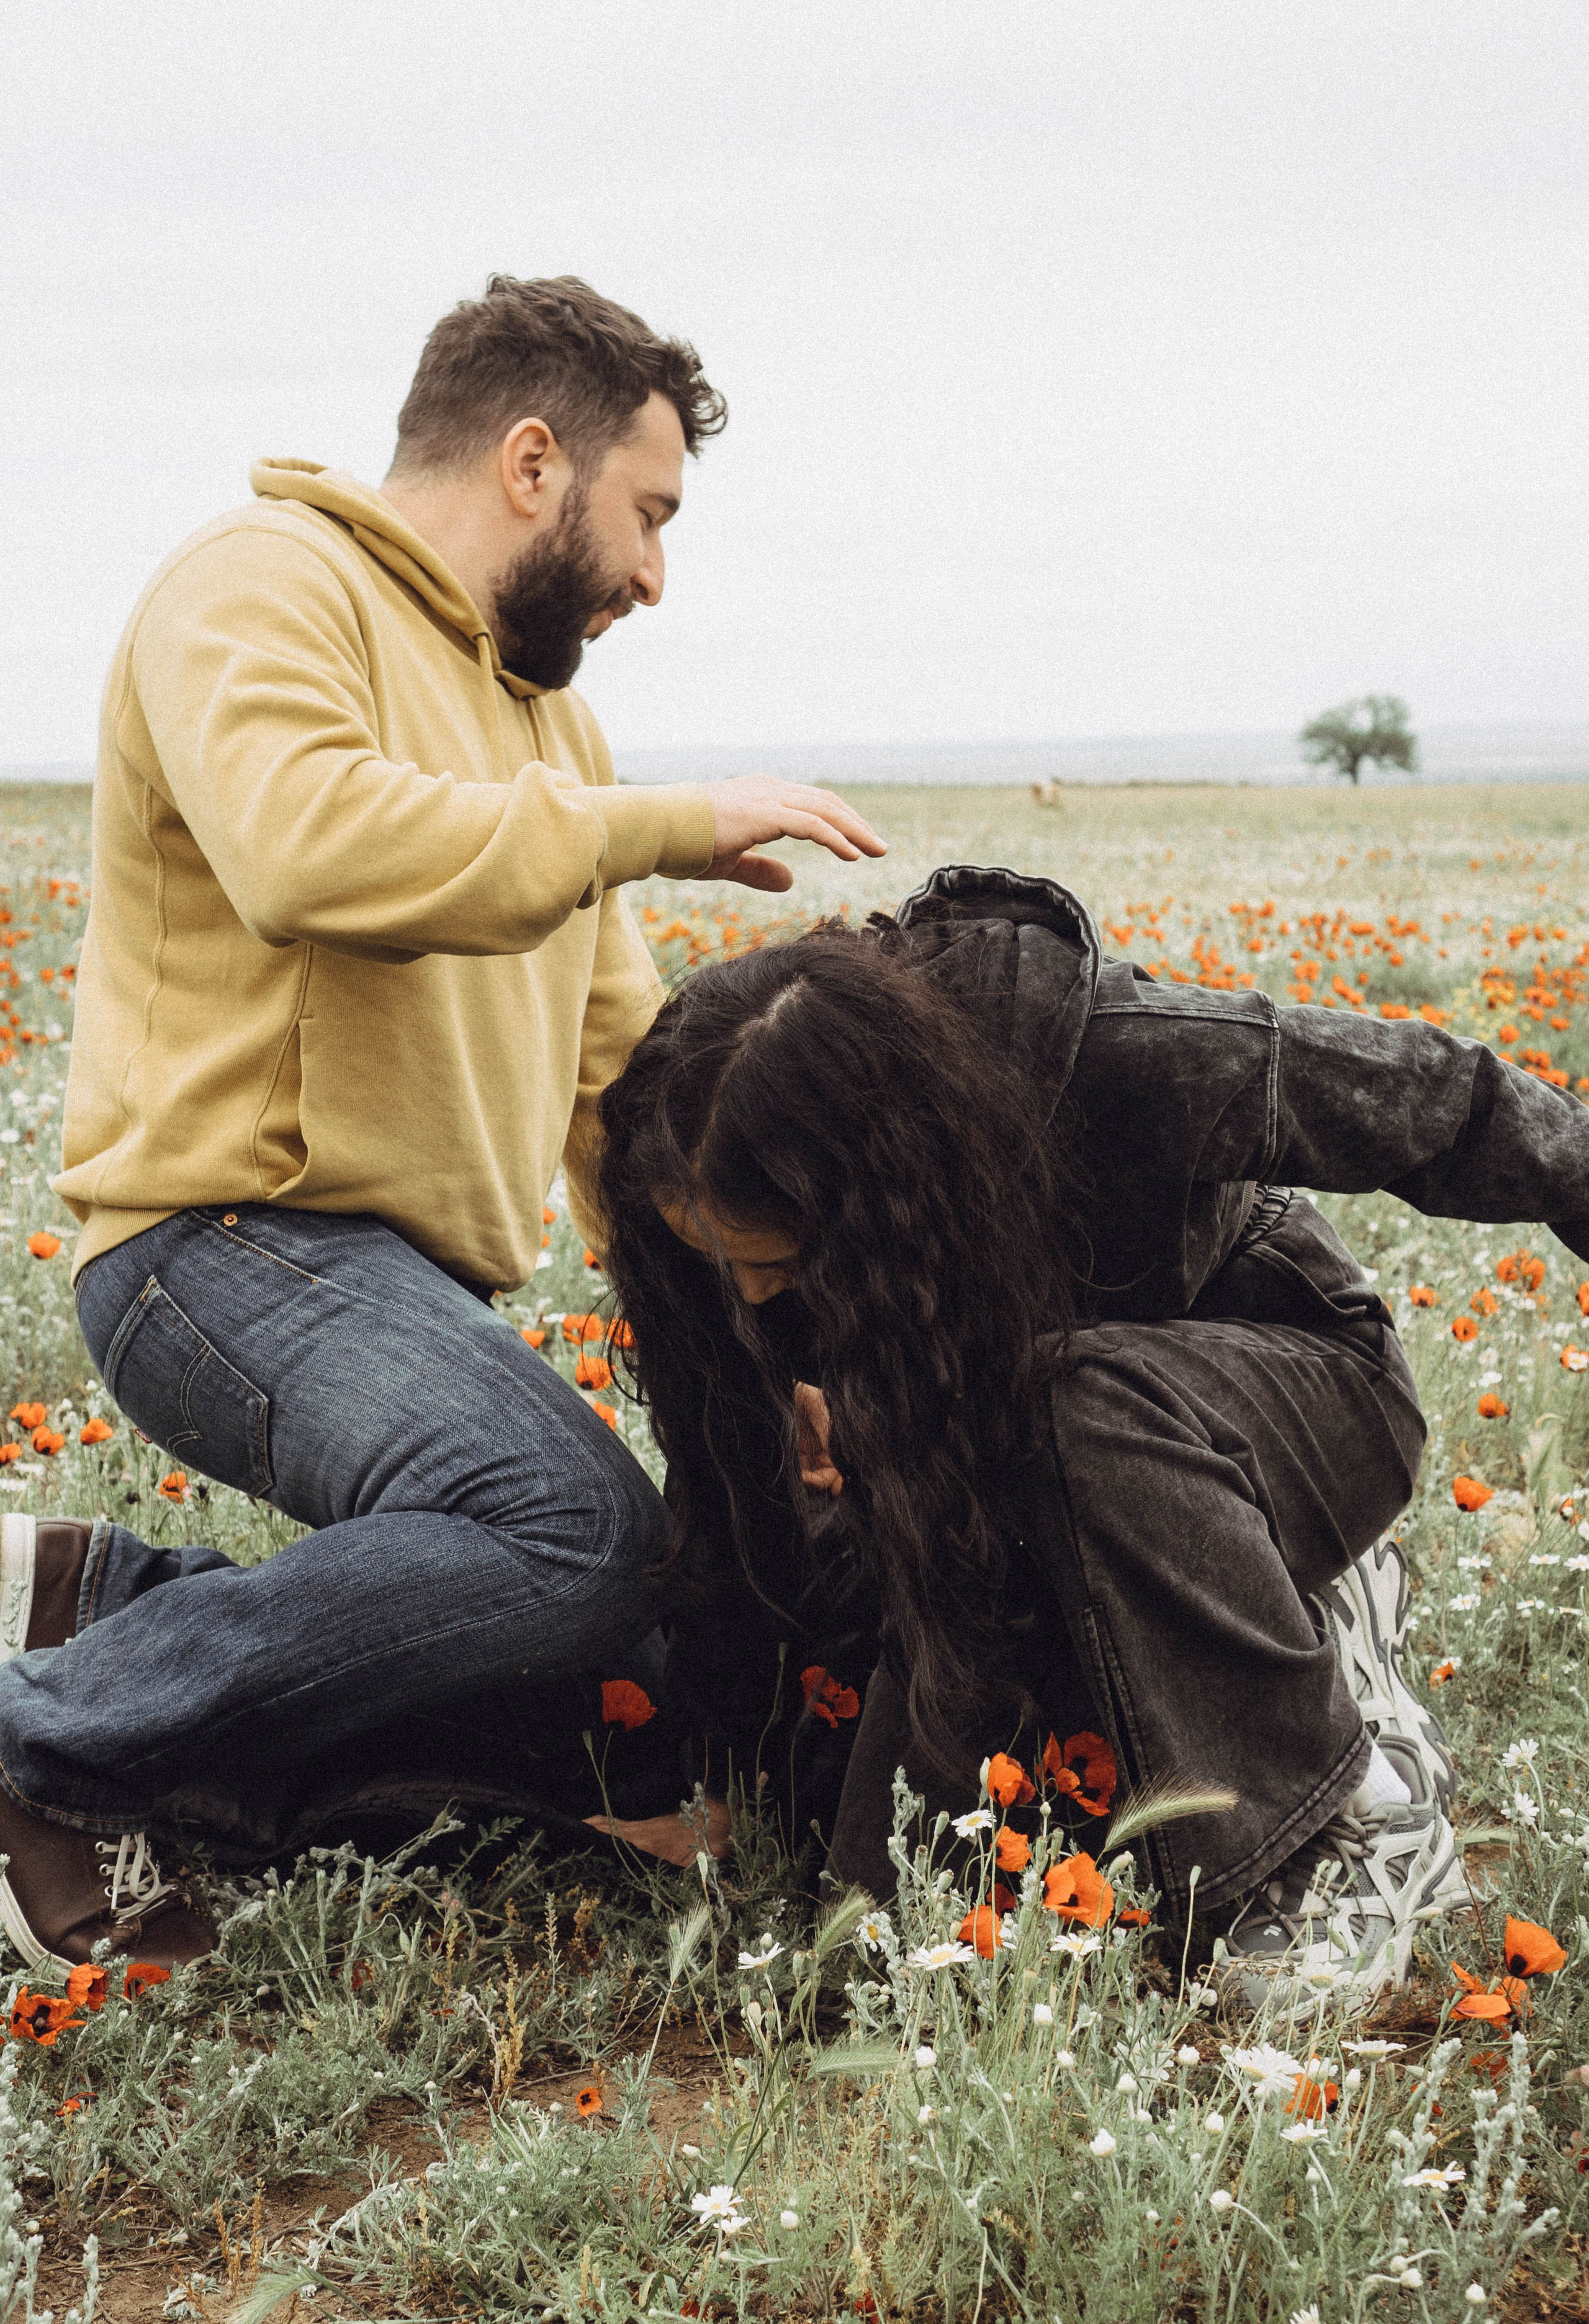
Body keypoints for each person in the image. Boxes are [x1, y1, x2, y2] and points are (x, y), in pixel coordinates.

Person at [0, 274, 885, 1978]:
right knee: (578, 1539)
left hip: (389, 1288)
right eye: (649, 514)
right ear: (533, 464)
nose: (655, 576)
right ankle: (48, 1742)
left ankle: (106, 1602)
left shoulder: (547, 719)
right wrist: (656, 824)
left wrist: (773, 1342)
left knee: (600, 1636)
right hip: (215, 1247)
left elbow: (624, 1086)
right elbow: (305, 846)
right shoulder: (261, 584)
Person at [589, 864, 1589, 2013]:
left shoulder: (1090, 1053)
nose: (757, 1302)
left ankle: (1343, 1826)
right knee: (878, 1952)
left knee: (1059, 1402)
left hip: (1292, 1390)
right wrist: (734, 1770)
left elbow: (1440, 1101)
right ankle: (1305, 1635)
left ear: (870, 1196)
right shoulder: (701, 1180)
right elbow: (727, 1491)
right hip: (1038, 1470)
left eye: (780, 1264)